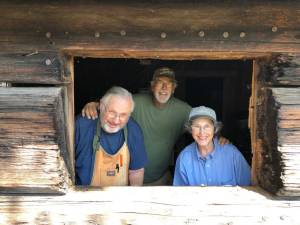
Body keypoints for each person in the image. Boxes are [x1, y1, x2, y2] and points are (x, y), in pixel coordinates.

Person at [82, 67, 227, 185]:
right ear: (152, 86)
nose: (164, 87)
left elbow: (204, 125)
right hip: (127, 179)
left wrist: (219, 138)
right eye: (159, 82)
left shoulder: (183, 110)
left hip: (160, 180)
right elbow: (112, 104)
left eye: (169, 83)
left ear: (174, 88)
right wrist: (94, 105)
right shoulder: (135, 102)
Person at [75, 86, 148, 187]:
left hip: (120, 199)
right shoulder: (81, 126)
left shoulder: (133, 130)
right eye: (112, 112)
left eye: (123, 115)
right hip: (83, 198)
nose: (116, 120)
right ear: (101, 105)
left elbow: (136, 171)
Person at [173, 106, 251, 186]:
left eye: (206, 126)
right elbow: (179, 195)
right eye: (197, 126)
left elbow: (249, 187)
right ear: (190, 129)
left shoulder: (232, 154)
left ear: (214, 129)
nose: (202, 132)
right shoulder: (184, 158)